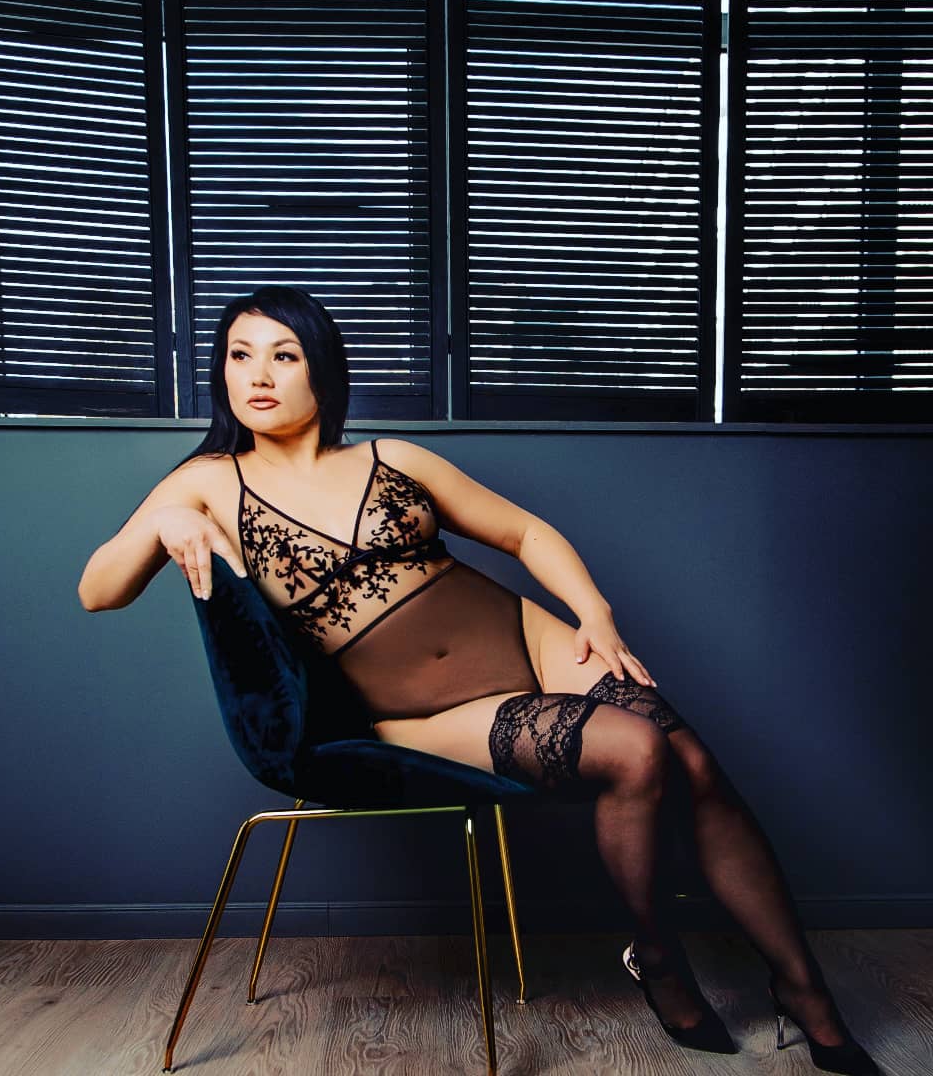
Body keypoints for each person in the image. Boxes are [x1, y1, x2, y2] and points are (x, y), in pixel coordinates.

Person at [79, 285, 881, 1074]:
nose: (257, 374)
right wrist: (164, 520)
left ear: (322, 368)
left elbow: (523, 532)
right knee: (637, 752)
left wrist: (594, 613)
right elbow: (97, 590)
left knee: (695, 765)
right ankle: (656, 954)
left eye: (283, 355)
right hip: (416, 709)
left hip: (524, 637)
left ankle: (803, 988)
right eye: (239, 355)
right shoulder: (207, 481)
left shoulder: (392, 458)